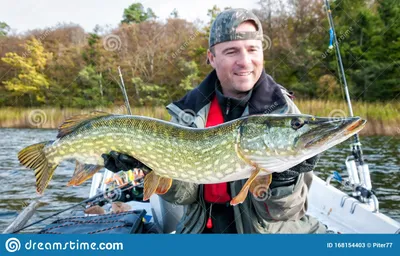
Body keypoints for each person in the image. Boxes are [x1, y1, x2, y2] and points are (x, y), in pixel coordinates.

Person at [102, 8, 327, 234]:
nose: (245, 61)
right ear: (211, 57)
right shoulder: (187, 113)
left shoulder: (284, 113)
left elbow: (285, 212)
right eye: (231, 51)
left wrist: (284, 180)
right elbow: (185, 195)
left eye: (252, 50)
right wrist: (147, 163)